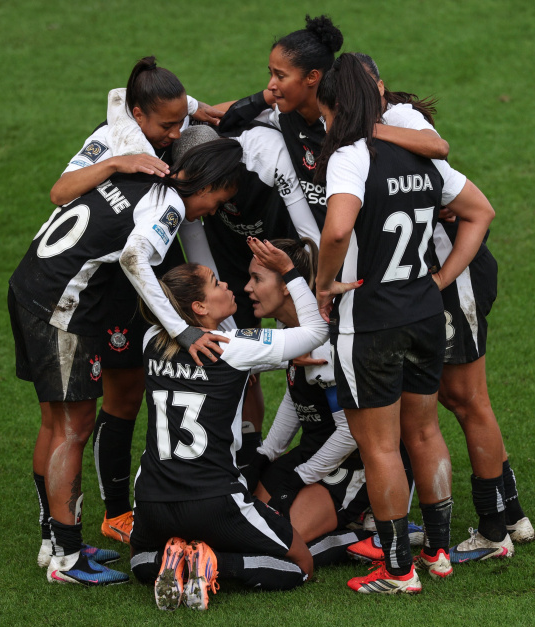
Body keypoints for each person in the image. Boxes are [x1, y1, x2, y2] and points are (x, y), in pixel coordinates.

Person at [9, 138, 242, 585]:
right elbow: (136, 258)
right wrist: (182, 327)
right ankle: (67, 561)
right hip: (61, 307)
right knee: (73, 428)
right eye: (218, 200)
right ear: (209, 183)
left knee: (54, 423)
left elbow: (120, 98)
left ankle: (54, 542)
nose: (213, 211)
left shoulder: (141, 175)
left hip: (30, 285)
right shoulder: (169, 206)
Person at [312, 54, 495, 594]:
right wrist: (439, 281)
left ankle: (397, 570)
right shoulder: (418, 153)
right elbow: (480, 211)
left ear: (336, 106)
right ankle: (437, 552)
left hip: (369, 321)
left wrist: (324, 283)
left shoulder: (349, 156)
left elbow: (339, 229)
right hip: (422, 312)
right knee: (425, 430)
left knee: (381, 448)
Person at [357, 53, 535, 561]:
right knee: (464, 401)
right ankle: (511, 512)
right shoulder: (388, 123)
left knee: (465, 400)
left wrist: (438, 280)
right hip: (452, 275)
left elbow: (453, 184)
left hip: (452, 276)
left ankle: (493, 530)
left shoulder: (396, 124)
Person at [47, 56, 226, 545]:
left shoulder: (168, 123)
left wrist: (198, 108)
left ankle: (110, 512)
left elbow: (178, 108)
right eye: (166, 124)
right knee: (120, 398)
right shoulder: (111, 139)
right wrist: (116, 163)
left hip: (143, 277)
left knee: (135, 394)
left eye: (178, 121)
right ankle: (115, 511)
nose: (173, 132)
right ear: (138, 114)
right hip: (107, 288)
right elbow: (60, 191)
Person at [129, 239, 360, 610]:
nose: (230, 286)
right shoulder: (233, 345)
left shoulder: (150, 340)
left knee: (139, 561)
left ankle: (171, 559)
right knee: (302, 565)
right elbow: (316, 331)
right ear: (200, 306)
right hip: (214, 498)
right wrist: (290, 271)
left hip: (153, 498)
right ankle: (216, 563)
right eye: (217, 283)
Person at [170, 124, 321, 486]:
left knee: (311, 355)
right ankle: (246, 460)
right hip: (231, 257)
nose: (205, 207)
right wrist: (242, 346)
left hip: (286, 245)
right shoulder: (191, 193)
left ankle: (278, 458)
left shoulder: (265, 157)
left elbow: (310, 236)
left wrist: (307, 291)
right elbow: (202, 261)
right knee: (244, 366)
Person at [219, 15, 449, 230]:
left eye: (280, 76)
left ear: (312, 77)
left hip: (373, 244)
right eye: (270, 74)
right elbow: (224, 117)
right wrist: (266, 96)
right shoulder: (284, 114)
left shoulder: (362, 117)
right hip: (333, 248)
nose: (270, 83)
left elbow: (438, 147)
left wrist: (363, 129)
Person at [242, 238, 375, 567]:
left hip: (353, 459)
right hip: (315, 448)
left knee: (285, 542)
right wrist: (267, 453)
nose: (247, 288)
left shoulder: (325, 343)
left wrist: (302, 475)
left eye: (257, 279)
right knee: (253, 526)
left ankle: (377, 534)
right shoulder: (288, 325)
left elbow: (350, 432)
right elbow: (295, 392)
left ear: (287, 288)